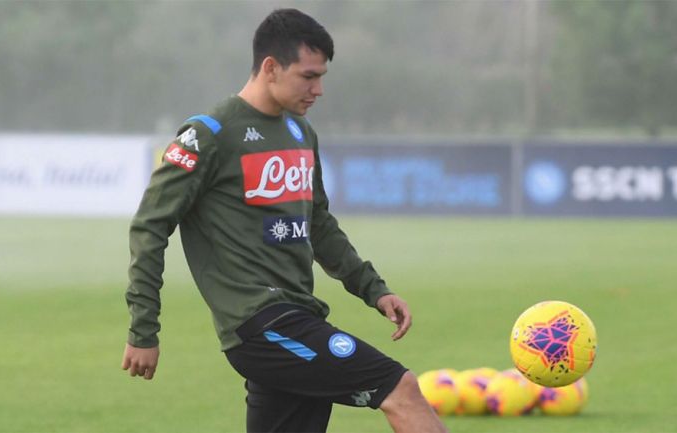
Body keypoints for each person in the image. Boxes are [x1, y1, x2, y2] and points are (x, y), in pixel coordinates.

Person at [121, 8, 447, 433]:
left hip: (297, 316)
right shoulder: (209, 134)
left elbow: (319, 224)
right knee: (400, 389)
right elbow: (149, 226)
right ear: (270, 68)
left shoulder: (300, 132)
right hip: (259, 323)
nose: (319, 89)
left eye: (322, 76)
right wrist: (143, 330)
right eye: (308, 76)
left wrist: (374, 289)